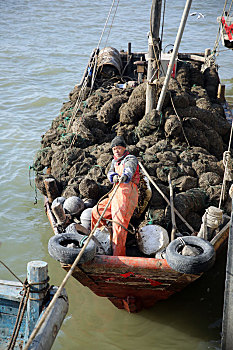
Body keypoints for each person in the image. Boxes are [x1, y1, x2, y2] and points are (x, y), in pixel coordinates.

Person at [91, 136, 139, 256]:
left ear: (124, 148)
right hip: (115, 193)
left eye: (118, 148)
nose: (116, 151)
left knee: (119, 226)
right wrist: (113, 176)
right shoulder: (114, 161)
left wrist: (125, 175)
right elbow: (110, 172)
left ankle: (118, 258)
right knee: (96, 212)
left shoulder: (130, 158)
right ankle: (99, 245)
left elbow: (130, 168)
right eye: (114, 149)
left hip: (127, 193)